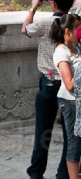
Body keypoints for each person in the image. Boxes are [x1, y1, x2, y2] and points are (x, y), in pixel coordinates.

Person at [23, 0, 76, 179]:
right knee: (70, 133)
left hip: (49, 82)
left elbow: (25, 29)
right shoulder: (74, 23)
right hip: (70, 84)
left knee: (43, 131)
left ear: (52, 2)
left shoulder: (45, 22)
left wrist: (33, 7)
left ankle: (36, 171)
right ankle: (64, 173)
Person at [53, 13, 81, 179]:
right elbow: (69, 84)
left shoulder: (77, 48)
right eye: (78, 28)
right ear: (68, 31)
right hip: (70, 101)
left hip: (79, 100)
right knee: (74, 142)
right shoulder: (61, 52)